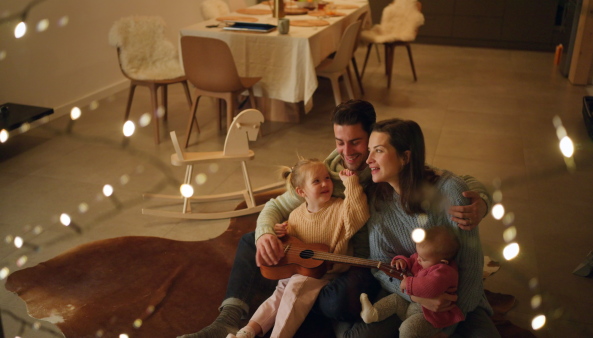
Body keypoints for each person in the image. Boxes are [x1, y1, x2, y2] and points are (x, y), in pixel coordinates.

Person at [179, 100, 491, 338]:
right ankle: (230, 319)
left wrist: (482, 202)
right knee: (252, 240)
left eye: (357, 142)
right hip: (324, 251)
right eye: (339, 142)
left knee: (334, 302)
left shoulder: (387, 172)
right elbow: (277, 205)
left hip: (356, 263)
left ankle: (299, 307)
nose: (348, 153)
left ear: (373, 138)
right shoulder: (328, 171)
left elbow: (452, 181)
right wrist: (265, 235)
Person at [343, 118, 498, 337]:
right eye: (369, 150)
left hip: (457, 302)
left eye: (378, 150)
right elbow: (381, 266)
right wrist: (416, 296)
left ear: (405, 157)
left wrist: (444, 323)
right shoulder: (378, 200)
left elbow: (471, 271)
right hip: (407, 296)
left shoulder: (449, 191)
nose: (368, 159)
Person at [228, 158, 369, 338]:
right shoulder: (295, 216)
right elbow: (293, 246)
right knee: (279, 293)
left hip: (325, 273)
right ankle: (247, 331)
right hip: (299, 271)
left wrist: (351, 183)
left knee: (295, 287)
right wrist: (278, 232)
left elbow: (359, 213)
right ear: (301, 191)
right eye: (316, 181)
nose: (325, 183)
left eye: (327, 178)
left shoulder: (340, 208)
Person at [359, 226, 464, 338]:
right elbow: (412, 259)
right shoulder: (426, 258)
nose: (418, 259)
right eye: (418, 254)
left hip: (429, 317)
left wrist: (408, 283)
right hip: (412, 307)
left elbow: (430, 287)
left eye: (423, 259)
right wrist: (402, 261)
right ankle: (373, 313)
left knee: (408, 328)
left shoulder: (445, 271)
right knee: (395, 299)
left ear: (442, 262)